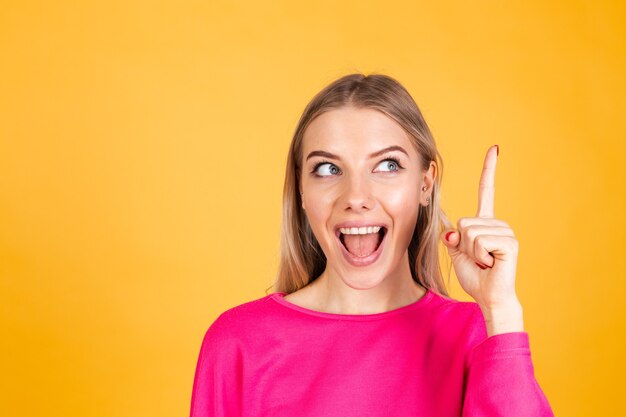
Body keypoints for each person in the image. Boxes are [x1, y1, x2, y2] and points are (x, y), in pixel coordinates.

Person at [189, 73, 554, 416]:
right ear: (301, 189)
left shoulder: (479, 335)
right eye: (328, 169)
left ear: (425, 184)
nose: (356, 196)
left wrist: (502, 311)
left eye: (387, 165)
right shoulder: (239, 343)